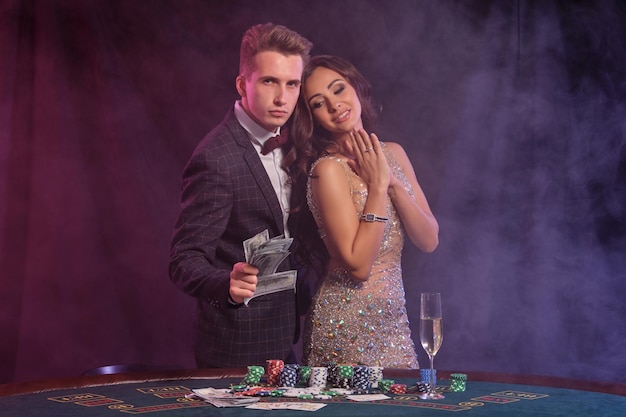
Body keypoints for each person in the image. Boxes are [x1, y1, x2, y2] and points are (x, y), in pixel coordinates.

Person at [169, 23, 313, 368]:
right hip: (235, 346)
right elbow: (183, 260)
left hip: (286, 336)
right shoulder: (216, 157)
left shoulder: (296, 141)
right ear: (242, 84)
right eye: (269, 82)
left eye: (292, 84)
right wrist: (226, 283)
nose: (282, 98)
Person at [289, 55, 439, 368]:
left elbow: (428, 240)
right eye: (319, 103)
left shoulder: (393, 153)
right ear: (312, 117)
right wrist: (377, 189)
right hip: (345, 329)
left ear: (355, 87)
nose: (334, 105)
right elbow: (358, 266)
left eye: (339, 89)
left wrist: (392, 183)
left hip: (396, 327)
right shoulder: (327, 171)